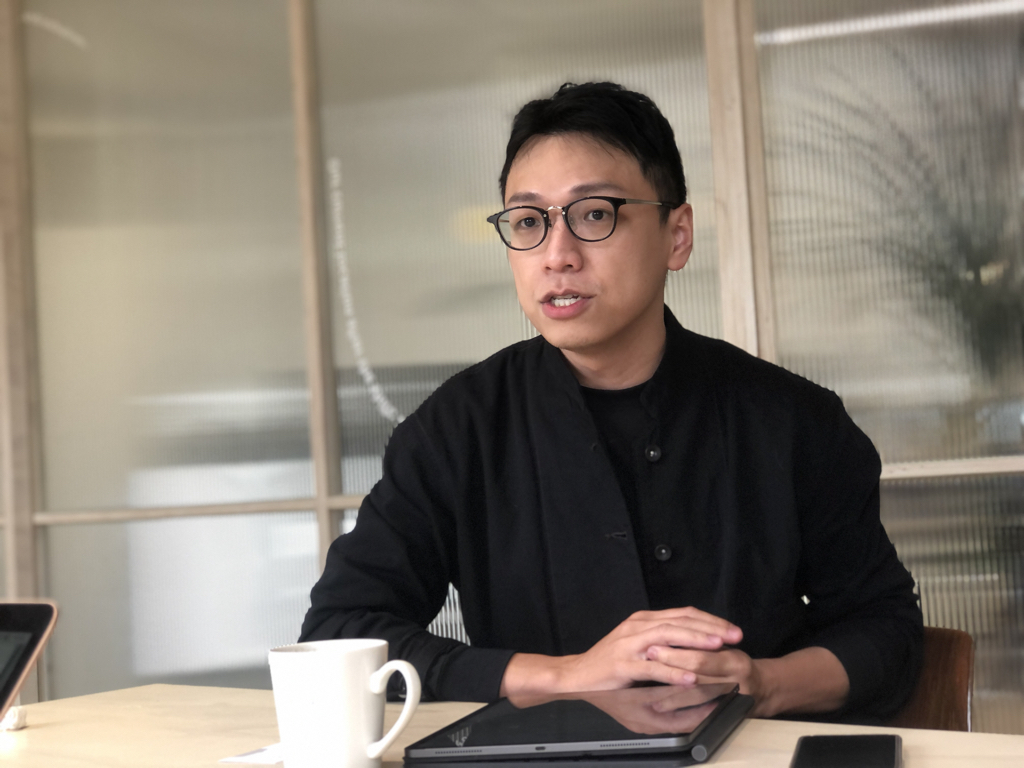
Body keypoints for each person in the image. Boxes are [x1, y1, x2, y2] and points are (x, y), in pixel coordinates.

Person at [300, 82, 923, 721]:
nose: (557, 256)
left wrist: (761, 682)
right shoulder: (457, 431)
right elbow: (340, 631)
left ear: (676, 236)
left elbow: (885, 629)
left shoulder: (794, 421)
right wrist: (563, 676)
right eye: (529, 222)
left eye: (594, 214)